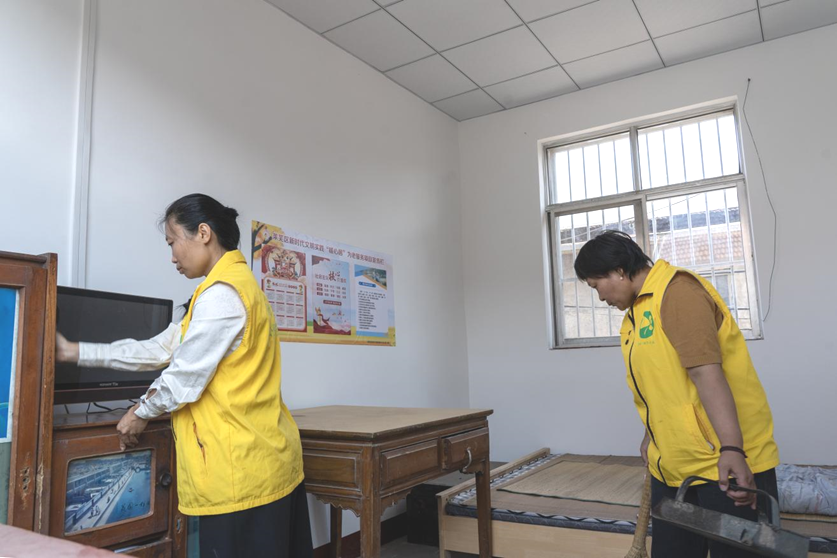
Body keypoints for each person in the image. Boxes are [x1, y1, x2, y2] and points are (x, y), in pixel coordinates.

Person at [55, 193, 313, 558]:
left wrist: (139, 412)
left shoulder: (223, 295)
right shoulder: (227, 288)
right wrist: (75, 352)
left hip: (241, 470)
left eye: (172, 241)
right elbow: (160, 349)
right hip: (262, 459)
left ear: (203, 233)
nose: (172, 256)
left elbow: (183, 377)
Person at [574, 230, 779, 558]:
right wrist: (651, 436)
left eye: (596, 285)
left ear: (619, 271)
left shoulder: (678, 292)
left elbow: (705, 373)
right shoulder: (639, 311)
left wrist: (732, 449)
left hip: (722, 466)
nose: (599, 298)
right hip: (674, 467)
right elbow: (663, 384)